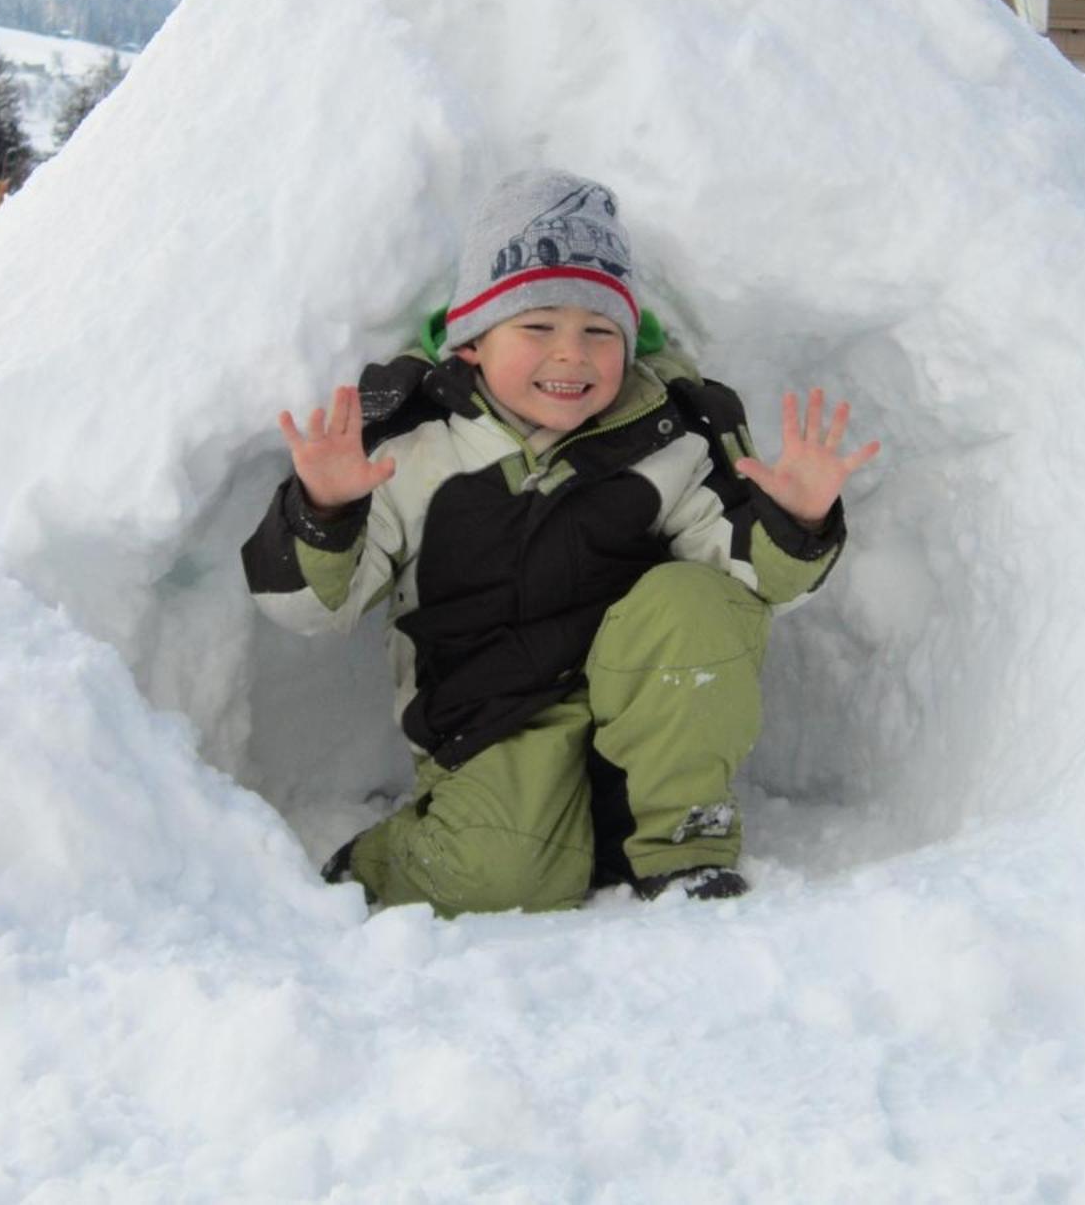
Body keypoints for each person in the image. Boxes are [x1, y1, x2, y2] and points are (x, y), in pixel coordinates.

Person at [241, 168, 877, 915]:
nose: (571, 355)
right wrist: (324, 510)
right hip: (490, 731)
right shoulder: (415, 447)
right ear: (472, 341)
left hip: (643, 716)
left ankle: (684, 841)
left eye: (599, 332)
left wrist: (796, 523)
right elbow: (308, 607)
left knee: (700, 601)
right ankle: (387, 860)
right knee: (500, 875)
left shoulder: (671, 437)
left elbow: (752, 582)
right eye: (537, 327)